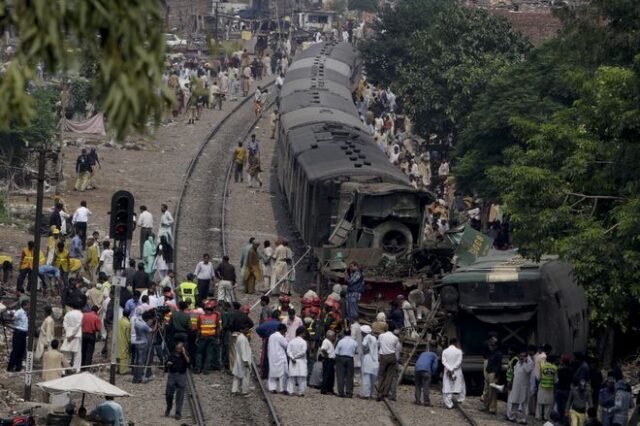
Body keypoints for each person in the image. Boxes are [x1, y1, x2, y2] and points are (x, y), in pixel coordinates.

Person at [507, 350, 534, 423]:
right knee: (514, 402)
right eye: (521, 356)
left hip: (524, 387)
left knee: (524, 404)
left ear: (526, 356)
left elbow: (528, 370)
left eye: (523, 356)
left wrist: (524, 362)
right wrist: (511, 382)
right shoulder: (517, 363)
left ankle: (523, 419)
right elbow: (515, 374)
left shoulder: (530, 363)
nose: (521, 357)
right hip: (516, 386)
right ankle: (512, 417)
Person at [195, 301, 222, 374]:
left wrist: (197, 338)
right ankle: (206, 370)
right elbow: (218, 328)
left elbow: (199, 329)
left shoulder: (201, 316)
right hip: (211, 337)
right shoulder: (215, 316)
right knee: (209, 353)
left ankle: (198, 368)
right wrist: (218, 338)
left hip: (203, 337)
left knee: (199, 352)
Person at [377, 327, 401, 401]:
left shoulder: (381, 336)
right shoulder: (395, 338)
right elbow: (397, 351)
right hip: (392, 357)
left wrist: (378, 356)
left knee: (381, 375)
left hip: (383, 356)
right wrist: (396, 360)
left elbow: (378, 345)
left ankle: (379, 392)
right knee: (389, 376)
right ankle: (385, 392)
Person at [442, 338, 466, 409]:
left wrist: (449, 368)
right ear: (456, 343)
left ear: (449, 343)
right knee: (461, 385)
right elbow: (459, 361)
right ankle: (460, 399)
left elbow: (444, 361)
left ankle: (449, 404)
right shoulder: (459, 351)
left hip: (447, 371)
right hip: (457, 371)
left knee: (447, 386)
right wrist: (453, 368)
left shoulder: (445, 351)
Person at [132, 307, 153, 383]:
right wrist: (156, 324)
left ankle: (135, 377)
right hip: (143, 343)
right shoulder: (144, 324)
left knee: (136, 360)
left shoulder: (136, 322)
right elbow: (151, 330)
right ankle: (140, 377)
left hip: (137, 342)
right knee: (141, 361)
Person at [335, 329, 358, 398]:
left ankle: (341, 392)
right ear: (350, 333)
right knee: (349, 376)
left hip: (341, 358)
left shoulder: (341, 341)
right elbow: (356, 352)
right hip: (350, 358)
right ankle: (349, 392)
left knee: (340, 375)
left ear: (344, 333)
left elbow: (336, 352)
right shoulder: (354, 342)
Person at [61, 301, 83, 372]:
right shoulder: (80, 314)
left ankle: (64, 369)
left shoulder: (68, 313)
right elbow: (78, 325)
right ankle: (76, 369)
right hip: (76, 335)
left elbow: (64, 323)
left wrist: (68, 332)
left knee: (67, 353)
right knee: (77, 354)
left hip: (68, 335)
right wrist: (73, 334)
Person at [286, 326, 308, 397]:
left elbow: (288, 351)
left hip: (293, 361)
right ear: (302, 333)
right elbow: (303, 352)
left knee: (291, 377)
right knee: (302, 378)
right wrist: (296, 356)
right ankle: (300, 392)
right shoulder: (304, 342)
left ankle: (290, 391)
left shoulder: (291, 341)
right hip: (301, 361)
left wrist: (292, 357)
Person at [7, 300, 29, 372]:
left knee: (21, 350)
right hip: (18, 333)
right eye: (28, 305)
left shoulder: (26, 313)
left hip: (23, 333)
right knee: (16, 350)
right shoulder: (19, 311)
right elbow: (13, 317)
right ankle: (10, 367)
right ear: (24, 305)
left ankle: (18, 367)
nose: (29, 306)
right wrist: (12, 316)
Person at [267, 323, 289, 394]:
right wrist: (285, 337)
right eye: (285, 331)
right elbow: (286, 345)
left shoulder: (271, 336)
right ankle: (282, 389)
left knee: (272, 373)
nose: (285, 332)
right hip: (280, 357)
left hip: (272, 357)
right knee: (283, 374)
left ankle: (272, 388)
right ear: (282, 330)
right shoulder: (280, 337)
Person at [485, 335, 503, 414]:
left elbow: (498, 366)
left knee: (493, 392)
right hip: (489, 373)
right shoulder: (492, 353)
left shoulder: (498, 354)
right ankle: (488, 406)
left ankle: (492, 408)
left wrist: (496, 376)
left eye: (491, 345)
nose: (490, 346)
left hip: (493, 373)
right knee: (489, 391)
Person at [231, 328, 252, 396]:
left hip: (239, 360)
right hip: (243, 361)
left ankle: (234, 390)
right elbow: (243, 350)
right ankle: (244, 391)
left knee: (236, 376)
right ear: (242, 330)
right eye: (246, 329)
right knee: (245, 376)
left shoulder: (240, 337)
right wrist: (245, 361)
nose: (248, 331)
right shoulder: (243, 339)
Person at [537, 356, 558, 420]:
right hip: (550, 387)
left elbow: (538, 377)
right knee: (548, 403)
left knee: (540, 402)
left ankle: (539, 416)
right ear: (553, 361)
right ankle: (546, 417)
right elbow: (556, 380)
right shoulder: (555, 367)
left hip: (542, 386)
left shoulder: (542, 366)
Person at [319, 330, 337, 395]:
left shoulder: (329, 342)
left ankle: (330, 389)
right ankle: (324, 389)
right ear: (330, 336)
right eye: (333, 336)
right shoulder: (326, 341)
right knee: (327, 375)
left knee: (331, 375)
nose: (334, 337)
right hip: (328, 360)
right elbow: (323, 349)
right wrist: (326, 355)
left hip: (331, 360)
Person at [117, 310, 131, 374]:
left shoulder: (118, 321)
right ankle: (122, 370)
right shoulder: (127, 323)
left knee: (117, 354)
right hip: (123, 340)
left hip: (117, 340)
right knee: (124, 356)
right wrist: (129, 343)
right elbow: (128, 336)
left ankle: (116, 369)